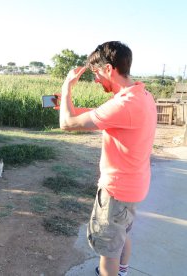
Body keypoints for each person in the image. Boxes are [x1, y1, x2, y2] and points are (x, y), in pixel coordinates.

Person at [58, 41, 157, 276]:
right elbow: (101, 115)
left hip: (116, 191)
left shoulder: (124, 104)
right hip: (135, 186)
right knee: (122, 235)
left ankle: (112, 272)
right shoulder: (141, 95)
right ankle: (122, 271)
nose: (95, 80)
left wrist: (66, 89)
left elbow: (66, 124)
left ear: (109, 69)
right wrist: (68, 107)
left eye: (96, 73)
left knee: (107, 252)